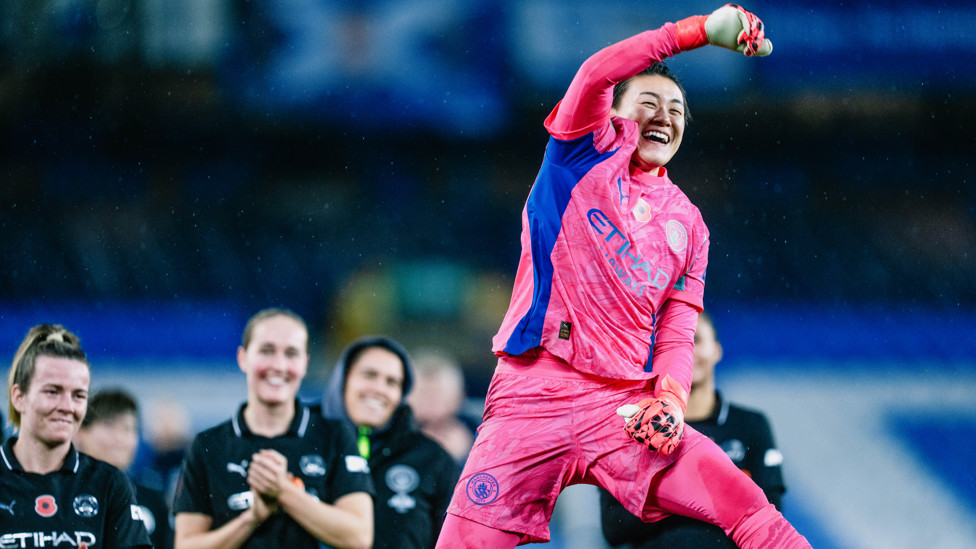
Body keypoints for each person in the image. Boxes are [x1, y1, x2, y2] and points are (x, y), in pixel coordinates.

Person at [435, 5, 811, 548]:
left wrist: (672, 400)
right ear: (613, 113)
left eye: (678, 109)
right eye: (649, 103)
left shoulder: (690, 224)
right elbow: (596, 72)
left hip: (626, 408)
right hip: (532, 394)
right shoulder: (576, 154)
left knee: (749, 509)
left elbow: (680, 326)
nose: (666, 115)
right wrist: (697, 32)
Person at [173, 307, 375, 549]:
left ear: (305, 364)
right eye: (267, 351)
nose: (278, 365)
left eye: (291, 353)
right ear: (243, 358)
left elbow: (359, 537)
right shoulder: (208, 445)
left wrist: (285, 492)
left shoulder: (334, 436)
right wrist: (252, 518)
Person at [600, 310, 786, 547]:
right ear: (660, 354)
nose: (687, 351)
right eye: (676, 343)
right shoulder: (635, 427)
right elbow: (613, 527)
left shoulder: (750, 426)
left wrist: (663, 495)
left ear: (717, 350)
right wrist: (707, 493)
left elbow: (772, 520)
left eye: (696, 340)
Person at [1, 324, 151, 548]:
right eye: (52, 392)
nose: (67, 406)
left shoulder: (110, 484)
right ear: (19, 397)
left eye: (78, 395)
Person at [321, 336, 461, 549]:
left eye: (392, 382)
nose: (379, 389)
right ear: (343, 378)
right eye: (369, 375)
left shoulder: (433, 460)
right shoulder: (306, 441)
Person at [76, 388, 175, 549]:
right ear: (81, 432)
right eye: (109, 426)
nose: (120, 438)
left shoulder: (153, 499)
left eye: (128, 428)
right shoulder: (63, 493)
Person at [406, 349, 478, 465]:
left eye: (439, 396)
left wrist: (469, 454)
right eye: (423, 395)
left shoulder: (483, 433)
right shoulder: (389, 433)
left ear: (460, 396)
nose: (431, 405)